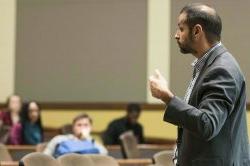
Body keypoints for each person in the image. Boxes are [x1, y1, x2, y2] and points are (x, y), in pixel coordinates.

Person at [149, 3, 249, 166]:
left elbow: (207, 124)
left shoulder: (221, 69)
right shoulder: (210, 65)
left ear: (197, 31)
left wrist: (168, 97)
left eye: (181, 29)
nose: (176, 35)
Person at [43, 113, 107, 157]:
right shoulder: (59, 139)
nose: (82, 128)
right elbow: (45, 156)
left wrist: (87, 138)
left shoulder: (93, 142)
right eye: (79, 125)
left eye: (86, 125)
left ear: (90, 128)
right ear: (73, 127)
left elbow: (104, 153)